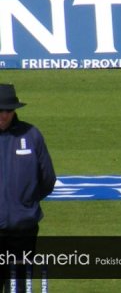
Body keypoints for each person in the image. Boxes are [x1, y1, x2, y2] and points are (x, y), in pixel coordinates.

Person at [0, 84, 56, 292]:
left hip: (23, 229)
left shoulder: (31, 135)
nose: (3, 115)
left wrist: (26, 204)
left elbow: (48, 178)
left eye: (7, 110)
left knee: (20, 286)